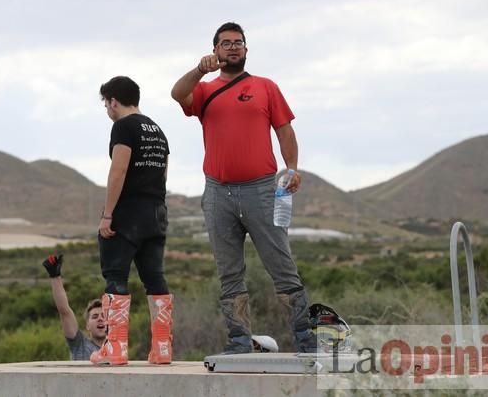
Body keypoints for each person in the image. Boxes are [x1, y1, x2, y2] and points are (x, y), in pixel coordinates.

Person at [171, 22, 317, 354]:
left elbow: (285, 130)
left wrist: (291, 167)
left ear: (246, 50)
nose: (233, 47)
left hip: (262, 190)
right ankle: (239, 342)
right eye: (226, 43)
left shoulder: (266, 87)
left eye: (238, 42)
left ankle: (306, 340)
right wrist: (198, 70)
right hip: (217, 193)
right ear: (215, 50)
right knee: (229, 271)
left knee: (282, 264)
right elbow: (178, 94)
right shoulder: (206, 90)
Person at [91, 76, 173, 366]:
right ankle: (162, 349)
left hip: (128, 214)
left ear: (114, 101)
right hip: (156, 212)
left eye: (106, 103)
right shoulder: (158, 130)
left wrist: (108, 215)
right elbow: (162, 175)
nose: (107, 109)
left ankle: (115, 349)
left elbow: (119, 170)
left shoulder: (123, 127)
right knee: (154, 276)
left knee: (115, 276)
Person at [42, 253, 107, 360]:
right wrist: (55, 276)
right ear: (87, 326)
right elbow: (64, 311)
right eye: (95, 316)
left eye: (104, 316)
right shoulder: (79, 344)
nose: (100, 319)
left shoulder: (117, 350)